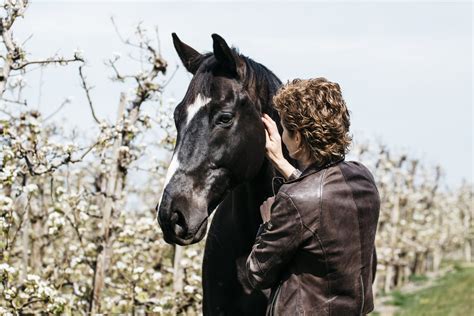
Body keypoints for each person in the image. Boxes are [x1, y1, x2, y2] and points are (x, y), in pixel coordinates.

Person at [242, 78, 380, 315]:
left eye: (285, 129)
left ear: (298, 138)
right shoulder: (363, 177)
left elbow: (256, 273)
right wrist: (281, 162)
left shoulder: (295, 200)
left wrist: (267, 224)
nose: (283, 137)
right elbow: (319, 199)